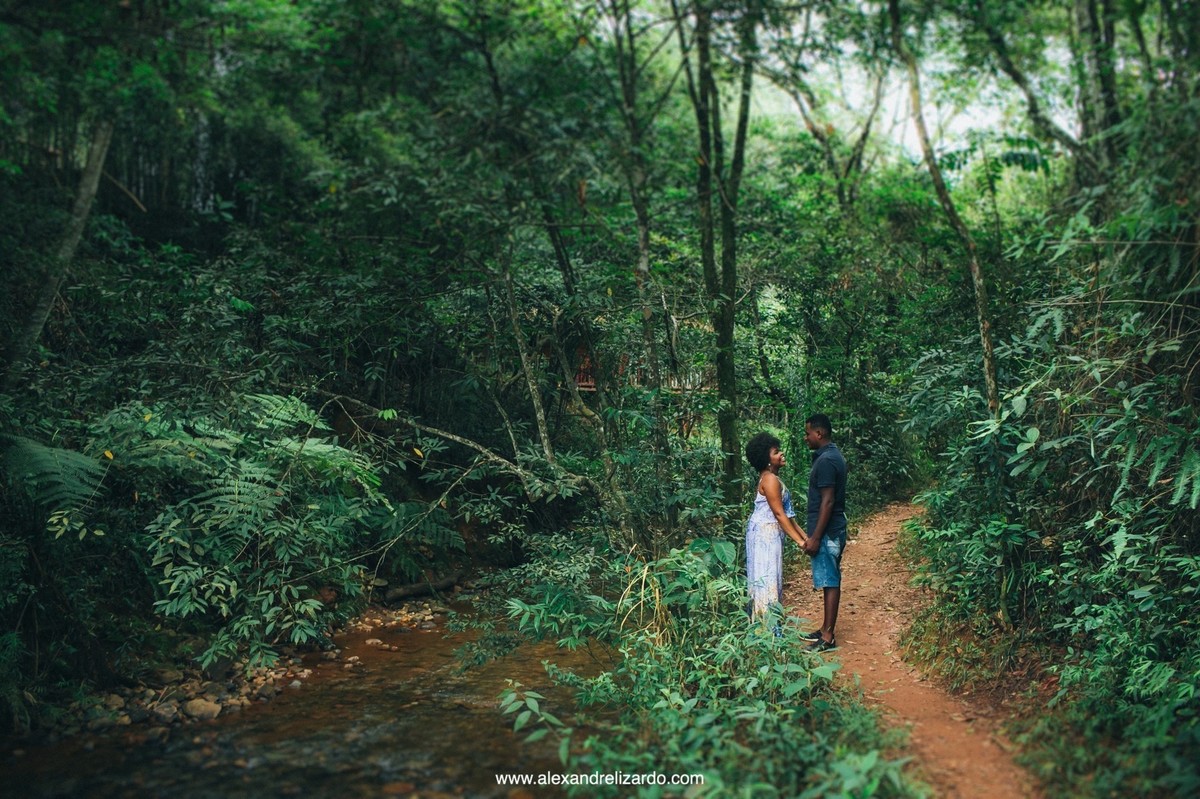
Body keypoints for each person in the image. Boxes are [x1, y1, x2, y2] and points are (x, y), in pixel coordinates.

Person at [744, 432, 808, 631]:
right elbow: (779, 515)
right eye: (776, 452)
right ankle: (768, 632)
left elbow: (789, 517)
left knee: (772, 578)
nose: (781, 455)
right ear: (766, 459)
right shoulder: (770, 479)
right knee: (767, 579)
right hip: (765, 535)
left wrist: (806, 538)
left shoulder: (773, 478)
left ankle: (768, 630)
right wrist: (800, 543)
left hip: (770, 533)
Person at [801, 413, 848, 652]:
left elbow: (827, 502)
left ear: (819, 433)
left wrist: (817, 537)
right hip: (829, 530)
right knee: (829, 578)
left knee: (830, 580)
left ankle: (828, 637)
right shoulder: (828, 457)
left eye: (808, 433)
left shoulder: (827, 461)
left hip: (828, 532)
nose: (805, 437)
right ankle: (825, 627)